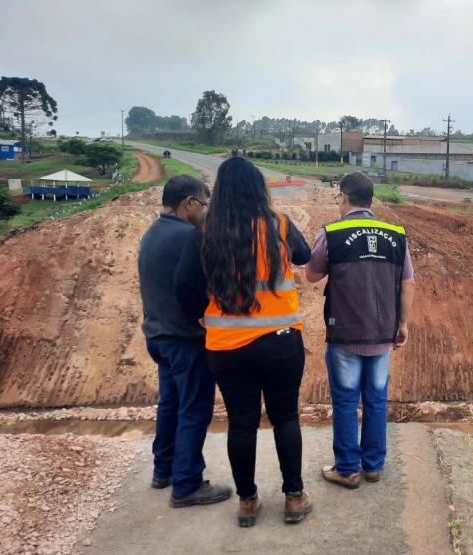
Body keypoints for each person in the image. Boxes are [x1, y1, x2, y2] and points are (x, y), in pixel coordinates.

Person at [174, 156, 313, 528]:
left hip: (228, 347)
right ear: (258, 190)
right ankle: (294, 497)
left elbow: (184, 285)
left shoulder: (204, 233)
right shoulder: (279, 225)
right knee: (285, 417)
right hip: (281, 342)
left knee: (241, 424)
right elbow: (305, 255)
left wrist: (200, 316)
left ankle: (248, 502)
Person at [305, 172, 415, 488]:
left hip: (345, 335)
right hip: (382, 335)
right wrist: (402, 323)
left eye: (338, 198)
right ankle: (373, 466)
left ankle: (347, 469)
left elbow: (312, 275)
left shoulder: (332, 233)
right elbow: (408, 282)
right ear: (371, 200)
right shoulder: (396, 235)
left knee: (345, 400)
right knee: (376, 398)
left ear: (344, 197)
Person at [137, 174, 232, 508]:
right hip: (185, 338)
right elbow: (206, 283)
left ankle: (164, 470)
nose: (205, 211)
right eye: (204, 204)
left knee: (171, 404)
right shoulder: (189, 237)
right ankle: (188, 484)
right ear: (189, 202)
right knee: (194, 409)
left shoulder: (152, 233)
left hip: (158, 336)